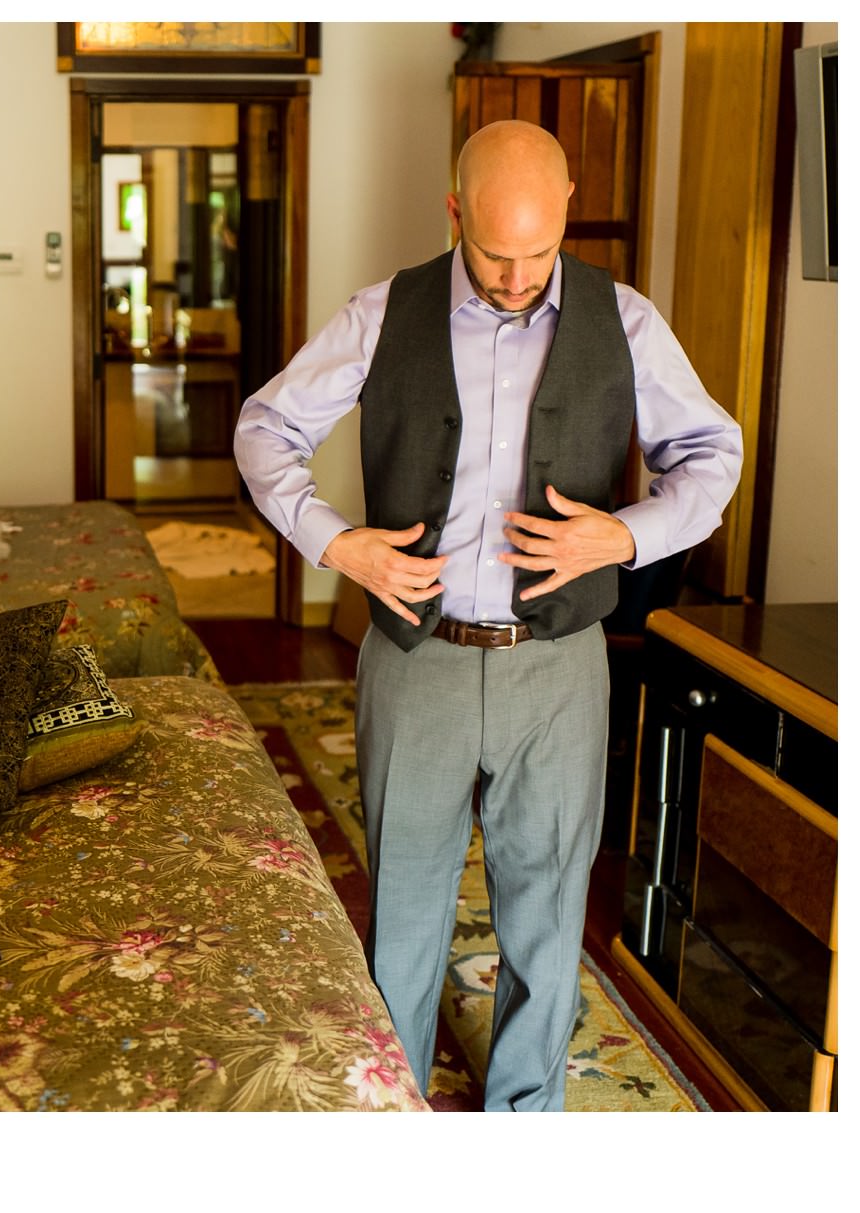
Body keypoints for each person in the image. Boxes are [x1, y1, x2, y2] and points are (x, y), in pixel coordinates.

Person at [234, 119, 742, 1111]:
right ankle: (394, 1112)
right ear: (453, 210)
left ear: (565, 217)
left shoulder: (625, 320)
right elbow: (265, 427)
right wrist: (335, 543)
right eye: (494, 254)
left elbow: (709, 457)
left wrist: (625, 535)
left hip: (556, 668)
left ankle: (521, 1126)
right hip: (412, 657)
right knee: (404, 912)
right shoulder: (384, 312)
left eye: (538, 253)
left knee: (546, 915)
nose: (516, 280)